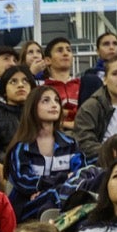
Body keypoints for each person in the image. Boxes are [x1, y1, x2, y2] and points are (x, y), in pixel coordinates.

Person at [5, 84, 83, 220]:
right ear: (33, 107)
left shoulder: (70, 144)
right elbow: (24, 182)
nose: (54, 105)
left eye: (56, 101)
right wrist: (61, 179)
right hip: (27, 209)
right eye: (46, 100)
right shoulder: (21, 147)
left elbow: (81, 175)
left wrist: (45, 188)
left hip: (65, 203)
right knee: (53, 195)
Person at [73, 54, 117, 162]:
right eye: (115, 73)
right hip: (101, 162)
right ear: (105, 79)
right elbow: (84, 143)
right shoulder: (91, 107)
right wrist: (115, 153)